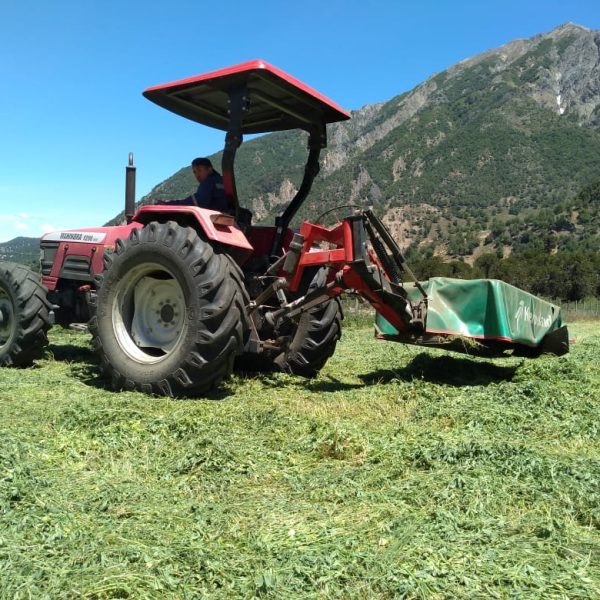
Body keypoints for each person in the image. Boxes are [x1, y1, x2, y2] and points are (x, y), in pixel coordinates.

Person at [157, 158, 229, 212]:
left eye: (200, 170)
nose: (197, 175)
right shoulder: (222, 181)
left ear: (209, 170)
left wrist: (168, 204)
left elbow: (196, 201)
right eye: (195, 172)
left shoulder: (209, 182)